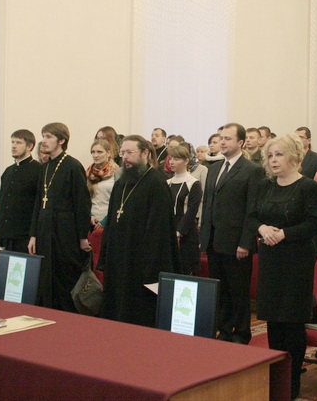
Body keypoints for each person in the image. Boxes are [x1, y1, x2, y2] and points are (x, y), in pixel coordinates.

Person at [254, 134, 317, 400]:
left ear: (293, 156)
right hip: (270, 260)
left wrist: (283, 234)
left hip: (296, 261)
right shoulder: (265, 186)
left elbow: (314, 224)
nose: (273, 160)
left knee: (292, 324)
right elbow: (252, 216)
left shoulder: (308, 187)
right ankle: (276, 385)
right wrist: (262, 228)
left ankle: (291, 388)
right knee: (274, 322)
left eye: (279, 154)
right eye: (270, 155)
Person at [99, 135, 180, 326]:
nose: (125, 157)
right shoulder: (121, 182)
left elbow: (158, 230)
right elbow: (112, 219)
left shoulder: (156, 183)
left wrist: (149, 264)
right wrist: (107, 254)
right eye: (122, 153)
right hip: (119, 257)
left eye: (130, 152)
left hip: (140, 260)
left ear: (145, 153)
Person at [200, 122, 265, 344]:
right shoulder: (214, 168)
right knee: (221, 290)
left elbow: (251, 209)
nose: (223, 142)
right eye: (221, 138)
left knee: (238, 292)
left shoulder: (252, 170)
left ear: (241, 142)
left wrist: (245, 242)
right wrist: (204, 238)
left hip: (236, 242)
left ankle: (242, 332)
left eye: (228, 138)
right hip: (214, 240)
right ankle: (225, 329)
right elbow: (208, 204)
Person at [29, 123, 93, 312]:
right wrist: (33, 234)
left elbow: (82, 204)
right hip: (44, 230)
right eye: (43, 136)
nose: (43, 141)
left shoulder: (73, 166)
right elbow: (38, 203)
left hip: (65, 232)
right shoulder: (45, 167)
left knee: (64, 278)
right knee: (46, 277)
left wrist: (83, 236)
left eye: (48, 136)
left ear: (62, 140)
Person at [0, 129, 42, 253]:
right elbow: (1, 202)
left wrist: (34, 235)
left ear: (29, 146)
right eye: (12, 142)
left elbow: (38, 206)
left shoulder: (38, 170)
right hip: (4, 233)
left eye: (18, 143)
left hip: (24, 234)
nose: (13, 146)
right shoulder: (8, 171)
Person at [167, 143, 202, 275]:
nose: (171, 162)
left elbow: (192, 210)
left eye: (176, 159)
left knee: (185, 271)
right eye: (171, 158)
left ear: (186, 161)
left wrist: (179, 232)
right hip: (169, 230)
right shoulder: (167, 183)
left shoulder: (193, 183)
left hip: (186, 233)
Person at [87, 139, 118, 230]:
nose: (95, 155)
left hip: (110, 220)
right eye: (93, 152)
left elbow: (118, 200)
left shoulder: (117, 172)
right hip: (91, 221)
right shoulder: (89, 173)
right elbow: (85, 198)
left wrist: (105, 221)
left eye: (99, 152)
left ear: (108, 153)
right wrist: (90, 215)